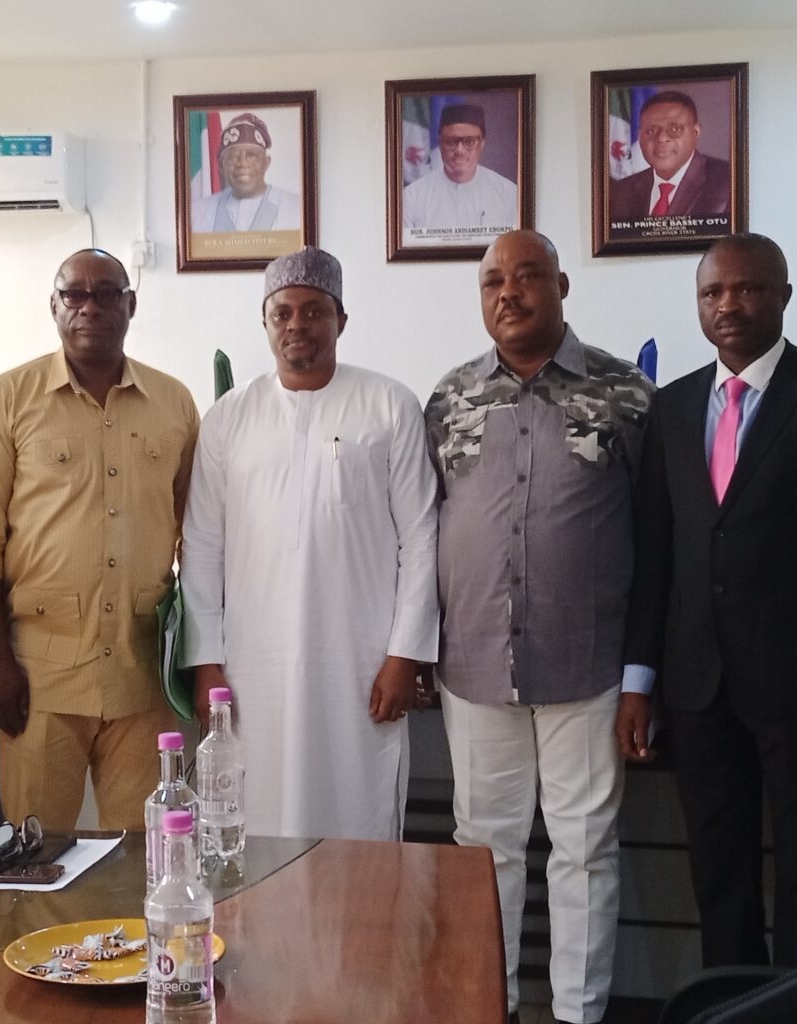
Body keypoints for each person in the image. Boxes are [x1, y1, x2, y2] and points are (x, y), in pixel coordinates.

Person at [425, 230, 654, 1024]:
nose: (509, 292)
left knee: (583, 855)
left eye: (528, 276)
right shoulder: (449, 397)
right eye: (493, 280)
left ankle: (578, 1016)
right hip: (476, 667)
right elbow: (428, 529)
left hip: (587, 667)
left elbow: (657, 537)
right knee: (484, 855)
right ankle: (493, 1009)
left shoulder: (625, 393)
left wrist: (640, 674)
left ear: (561, 285)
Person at [180, 245, 438, 841]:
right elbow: (201, 546)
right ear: (266, 324)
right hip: (251, 671)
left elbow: (422, 537)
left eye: (315, 311)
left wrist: (406, 655)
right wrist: (206, 662)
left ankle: (363, 936)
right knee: (256, 823)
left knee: (358, 821)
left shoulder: (389, 405)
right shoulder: (228, 418)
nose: (298, 324)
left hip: (360, 663)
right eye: (283, 313)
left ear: (341, 320)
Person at [0, 248, 199, 832]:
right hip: (40, 677)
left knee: (145, 857)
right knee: (35, 855)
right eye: (75, 295)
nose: (90, 306)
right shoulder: (7, 399)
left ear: (130, 304)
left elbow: (198, 537)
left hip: (146, 678)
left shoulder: (175, 402)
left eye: (107, 293)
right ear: (55, 306)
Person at [619, 233, 797, 969]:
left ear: (783, 295)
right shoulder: (673, 406)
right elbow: (655, 554)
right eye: (712, 293)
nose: (729, 305)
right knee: (718, 869)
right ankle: (734, 1004)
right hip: (697, 685)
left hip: (790, 680)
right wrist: (639, 683)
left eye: (748, 288)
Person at [609, 90, 731, 220]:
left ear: (695, 133)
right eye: (651, 130)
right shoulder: (619, 192)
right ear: (640, 137)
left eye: (675, 129)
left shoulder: (730, 182)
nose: (661, 138)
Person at [402, 102, 518, 237]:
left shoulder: (509, 194)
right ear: (440, 143)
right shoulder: (412, 197)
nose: (459, 150)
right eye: (451, 141)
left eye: (469, 142)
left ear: (482, 144)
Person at [190, 112, 302, 233]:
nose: (242, 163)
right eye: (233, 157)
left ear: (266, 162)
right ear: (221, 165)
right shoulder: (197, 212)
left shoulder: (297, 208)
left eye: (251, 155)